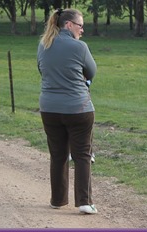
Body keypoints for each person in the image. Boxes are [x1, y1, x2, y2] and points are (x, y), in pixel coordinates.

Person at [37, 8, 97, 214]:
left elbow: (41, 70)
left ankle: (57, 200)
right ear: (69, 25)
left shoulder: (43, 45)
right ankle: (84, 202)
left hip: (49, 109)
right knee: (82, 155)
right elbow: (92, 72)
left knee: (58, 155)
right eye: (80, 26)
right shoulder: (80, 47)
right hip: (78, 108)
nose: (82, 30)